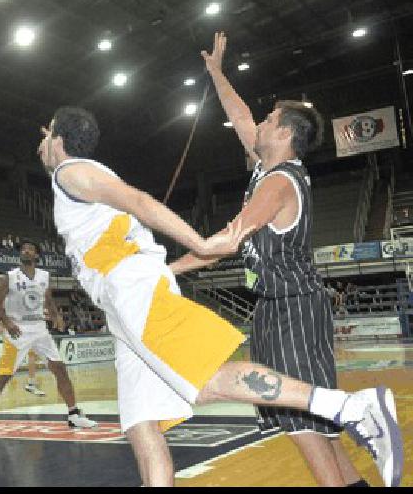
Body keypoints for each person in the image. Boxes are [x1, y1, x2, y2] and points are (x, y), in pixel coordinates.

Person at [38, 105, 401, 487]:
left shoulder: (72, 171)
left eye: (46, 138)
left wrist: (200, 244)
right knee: (141, 422)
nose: (40, 144)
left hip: (131, 289)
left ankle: (350, 406)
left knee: (202, 381)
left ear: (59, 141)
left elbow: (139, 201)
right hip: (121, 300)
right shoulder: (73, 175)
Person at [170, 31, 371, 487]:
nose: (257, 122)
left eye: (268, 118)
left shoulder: (278, 183)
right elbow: (239, 115)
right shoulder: (270, 168)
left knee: (302, 425)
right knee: (320, 428)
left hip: (293, 309)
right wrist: (216, 72)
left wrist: (168, 270)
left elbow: (226, 241)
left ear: (283, 132)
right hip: (284, 310)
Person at [0, 241, 97, 436]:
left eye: (30, 248)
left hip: (40, 330)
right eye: (23, 249)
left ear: (36, 254)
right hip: (17, 331)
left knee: (60, 369)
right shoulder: (10, 277)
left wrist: (56, 316)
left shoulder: (45, 276)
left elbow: (48, 300)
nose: (26, 251)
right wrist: (7, 322)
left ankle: (73, 415)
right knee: (4, 375)